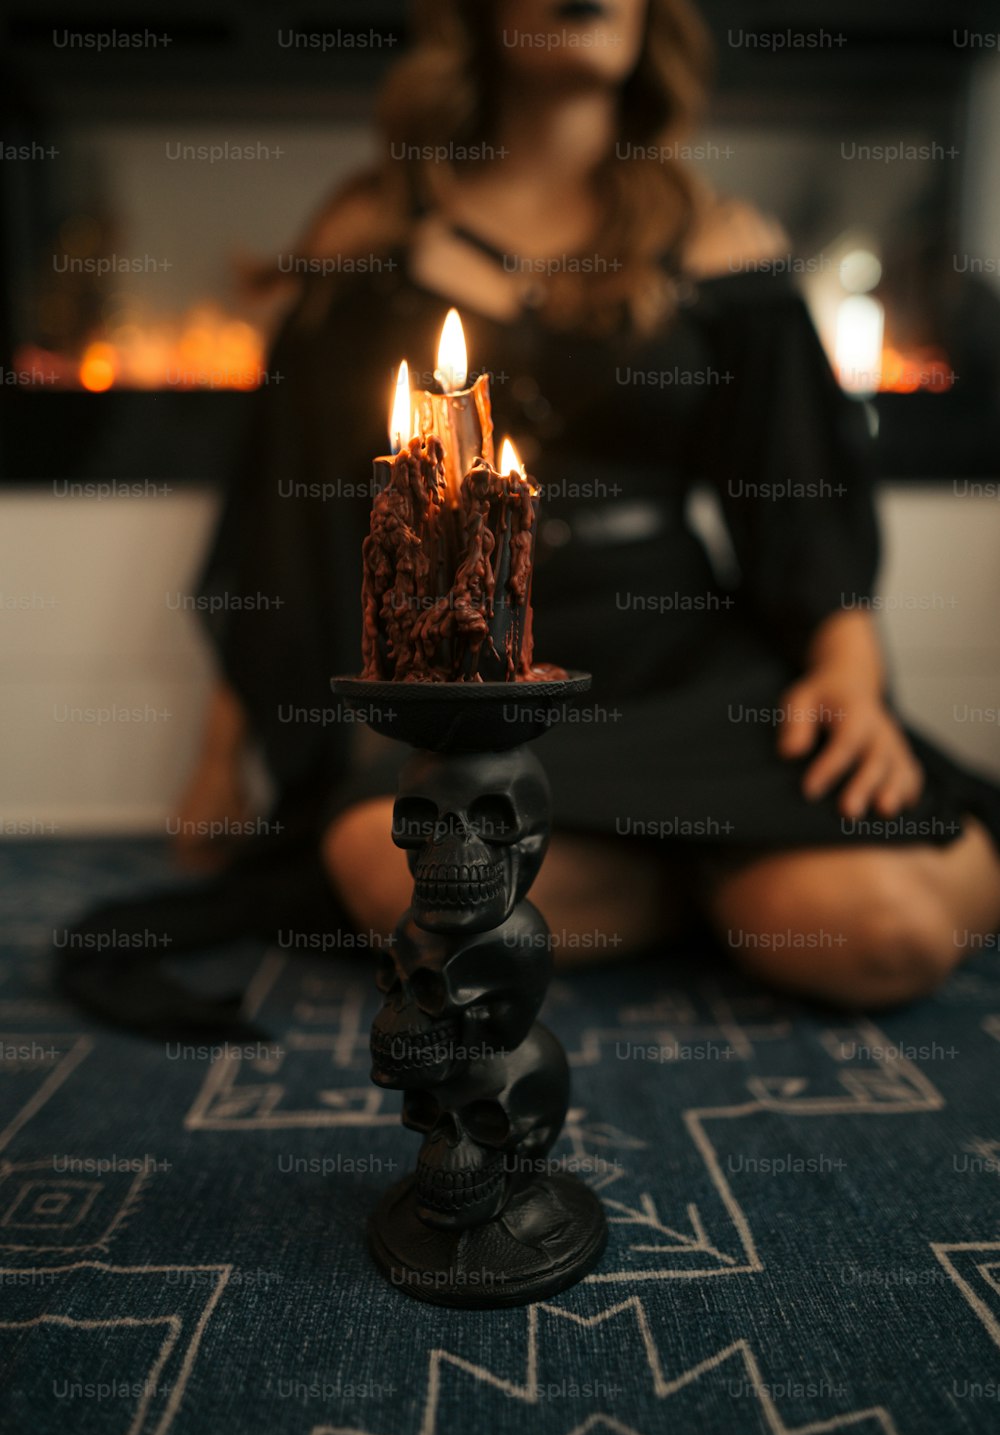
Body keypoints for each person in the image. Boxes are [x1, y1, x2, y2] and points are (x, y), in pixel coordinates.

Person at [176, 0, 1000, 1009]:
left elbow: (801, 490)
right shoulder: (374, 236)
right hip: (478, 679)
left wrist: (848, 667)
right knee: (393, 870)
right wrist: (224, 759)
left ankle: (708, 880)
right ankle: (722, 886)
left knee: (886, 935)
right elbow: (283, 522)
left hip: (686, 663)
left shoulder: (719, 241)